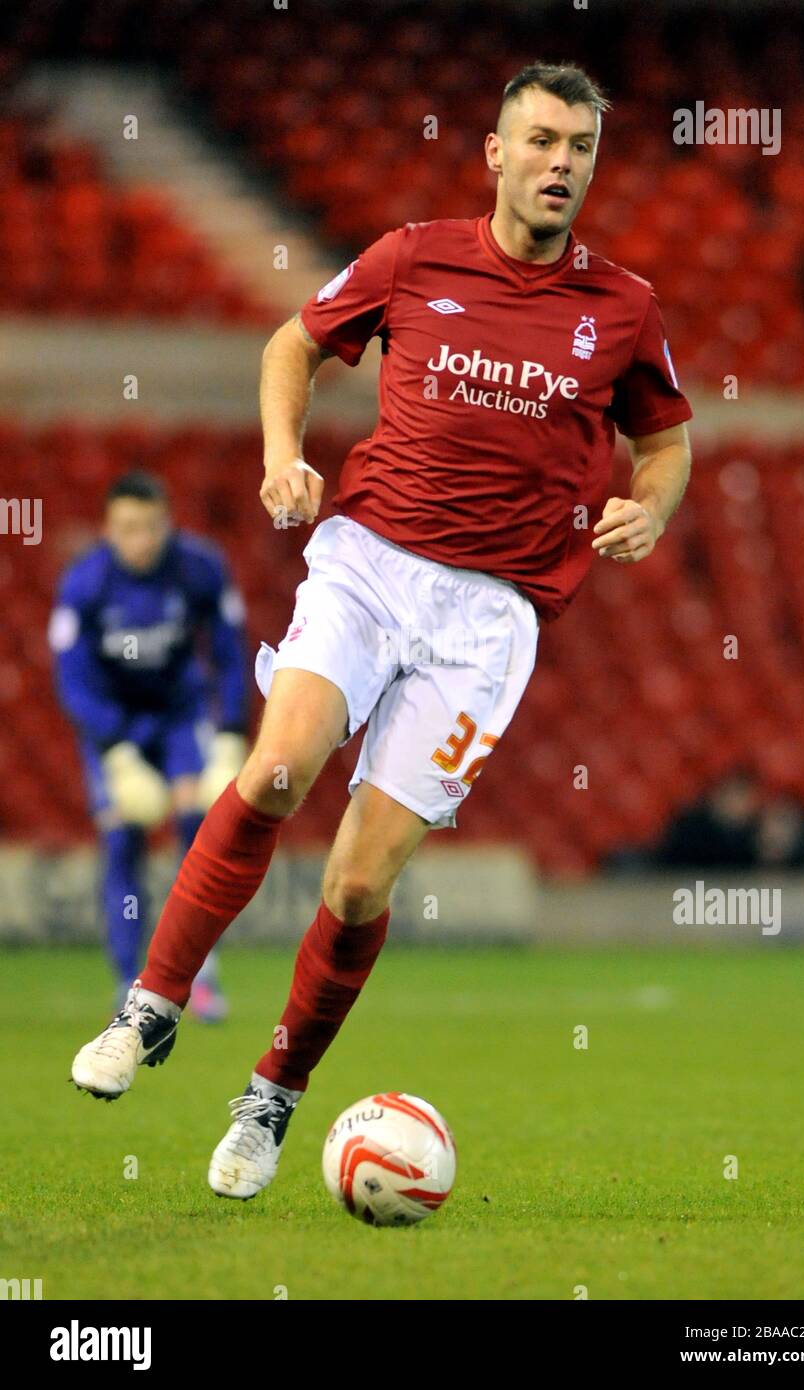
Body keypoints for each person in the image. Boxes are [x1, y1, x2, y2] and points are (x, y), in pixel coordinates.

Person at [70, 63, 693, 1197]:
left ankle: (271, 1096)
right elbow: (290, 345)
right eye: (542, 141)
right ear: (494, 154)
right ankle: (148, 1006)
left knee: (357, 888)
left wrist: (649, 508)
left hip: (489, 620)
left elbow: (666, 440)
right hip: (368, 562)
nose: (562, 164)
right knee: (273, 771)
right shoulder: (414, 255)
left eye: (582, 149)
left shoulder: (624, 309)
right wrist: (280, 455)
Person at [50, 470, 249, 1022]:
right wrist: (114, 749)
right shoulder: (84, 583)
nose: (140, 540)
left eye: (151, 527)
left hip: (180, 715)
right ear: (109, 529)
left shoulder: (200, 568)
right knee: (123, 838)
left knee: (199, 832)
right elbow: (72, 678)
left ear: (168, 524)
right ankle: (126, 984)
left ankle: (198, 976)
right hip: (116, 723)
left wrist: (231, 732)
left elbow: (231, 651)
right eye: (128, 528)